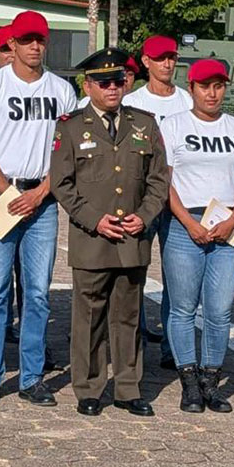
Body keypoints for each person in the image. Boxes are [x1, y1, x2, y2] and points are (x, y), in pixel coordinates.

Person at [50, 47, 169, 417]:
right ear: (88, 86)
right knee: (88, 317)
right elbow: (61, 183)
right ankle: (88, 387)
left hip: (132, 237)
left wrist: (145, 216)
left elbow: (159, 180)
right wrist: (94, 219)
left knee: (128, 316)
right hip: (93, 238)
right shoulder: (70, 126)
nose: (113, 88)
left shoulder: (144, 124)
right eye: (104, 82)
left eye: (118, 80)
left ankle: (128, 387)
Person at [0, 10, 77, 406]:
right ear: (11, 44)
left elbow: (67, 155)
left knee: (37, 293)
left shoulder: (62, 91)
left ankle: (32, 378)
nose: (34, 47)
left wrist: (41, 193)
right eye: (26, 40)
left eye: (40, 40)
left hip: (43, 201)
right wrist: (8, 193)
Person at [159, 58, 234, 414]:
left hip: (228, 225)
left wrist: (233, 220)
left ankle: (211, 381)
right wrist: (187, 221)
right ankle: (189, 384)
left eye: (218, 86)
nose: (212, 93)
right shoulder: (173, 126)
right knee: (183, 309)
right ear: (192, 89)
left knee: (218, 310)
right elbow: (164, 181)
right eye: (205, 86)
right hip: (186, 224)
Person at [125, 34, 193, 368]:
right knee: (133, 272)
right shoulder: (134, 101)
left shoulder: (187, 100)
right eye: (160, 57)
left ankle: (171, 345)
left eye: (172, 57)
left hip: (179, 199)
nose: (168, 63)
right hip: (142, 199)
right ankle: (132, 336)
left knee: (176, 279)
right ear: (146, 62)